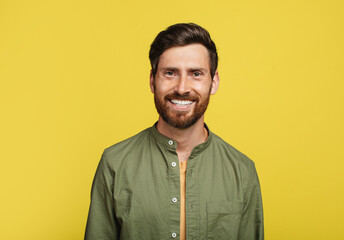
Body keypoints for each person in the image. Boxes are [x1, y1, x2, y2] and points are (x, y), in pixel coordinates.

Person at [85, 23, 264, 240]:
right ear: (153, 80)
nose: (181, 87)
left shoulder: (242, 171)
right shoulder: (114, 163)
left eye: (196, 73)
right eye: (170, 73)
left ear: (213, 82)